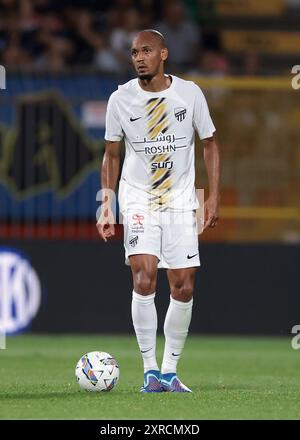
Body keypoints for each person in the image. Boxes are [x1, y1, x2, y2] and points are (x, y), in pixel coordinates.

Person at [97, 29, 220, 393]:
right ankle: (150, 371)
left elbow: (210, 143)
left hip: (182, 198)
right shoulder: (120, 99)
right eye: (134, 52)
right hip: (138, 198)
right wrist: (106, 204)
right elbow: (111, 153)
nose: (138, 57)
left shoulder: (190, 93)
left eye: (146, 50)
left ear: (163, 54)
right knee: (144, 276)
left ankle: (169, 371)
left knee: (183, 286)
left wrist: (212, 197)